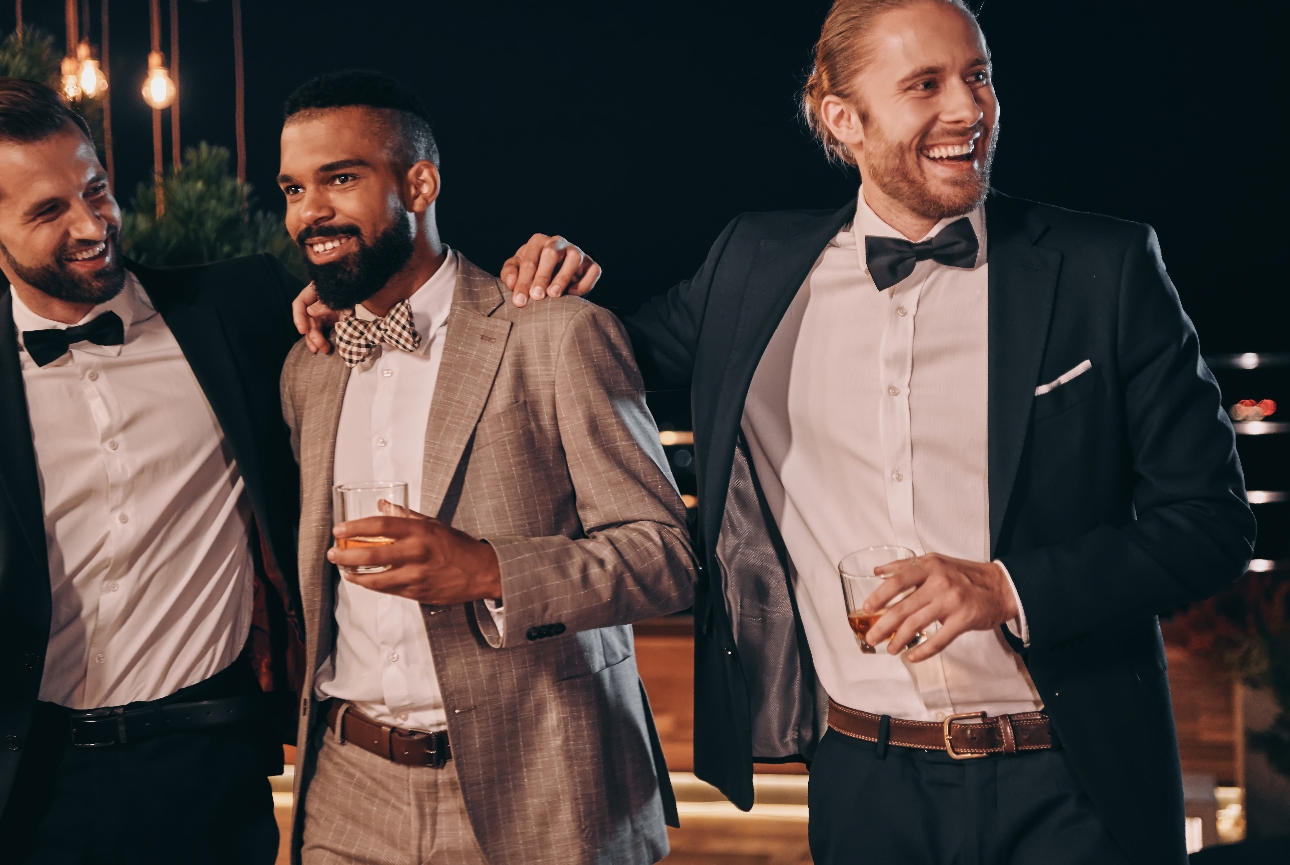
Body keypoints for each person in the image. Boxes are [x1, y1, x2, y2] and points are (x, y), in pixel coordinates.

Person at [487, 1, 1257, 862]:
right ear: (843, 119)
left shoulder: (1103, 267)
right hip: (862, 781)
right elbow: (585, 356)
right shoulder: (750, 269)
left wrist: (1006, 588)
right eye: (926, 85)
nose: (969, 109)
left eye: (979, 75)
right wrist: (374, 308)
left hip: (1072, 777)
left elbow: (1213, 525)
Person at [277, 70, 697, 865]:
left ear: (420, 182)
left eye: (340, 179)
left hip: (540, 790)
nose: (311, 211)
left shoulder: (556, 333)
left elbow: (666, 557)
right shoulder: (311, 367)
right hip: (345, 789)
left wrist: (487, 570)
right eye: (294, 188)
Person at [0, 78, 304, 862]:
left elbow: (402, 314)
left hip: (212, 761)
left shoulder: (239, 308)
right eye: (48, 211)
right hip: (31, 783)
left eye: (95, 190)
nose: (92, 223)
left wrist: (525, 286)